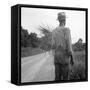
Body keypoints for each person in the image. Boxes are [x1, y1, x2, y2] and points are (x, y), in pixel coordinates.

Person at [51, 12, 74, 81]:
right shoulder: (67, 30)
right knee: (65, 78)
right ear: (64, 20)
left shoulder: (54, 31)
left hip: (56, 58)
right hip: (64, 58)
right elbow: (69, 46)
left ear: (58, 20)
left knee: (57, 78)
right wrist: (72, 58)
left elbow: (53, 45)